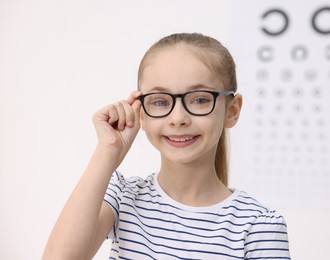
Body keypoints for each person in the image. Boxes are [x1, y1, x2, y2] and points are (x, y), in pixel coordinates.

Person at [43, 33, 290, 259]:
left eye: (200, 99)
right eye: (160, 101)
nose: (178, 118)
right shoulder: (122, 197)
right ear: (141, 112)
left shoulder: (259, 224)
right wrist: (108, 151)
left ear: (231, 111)